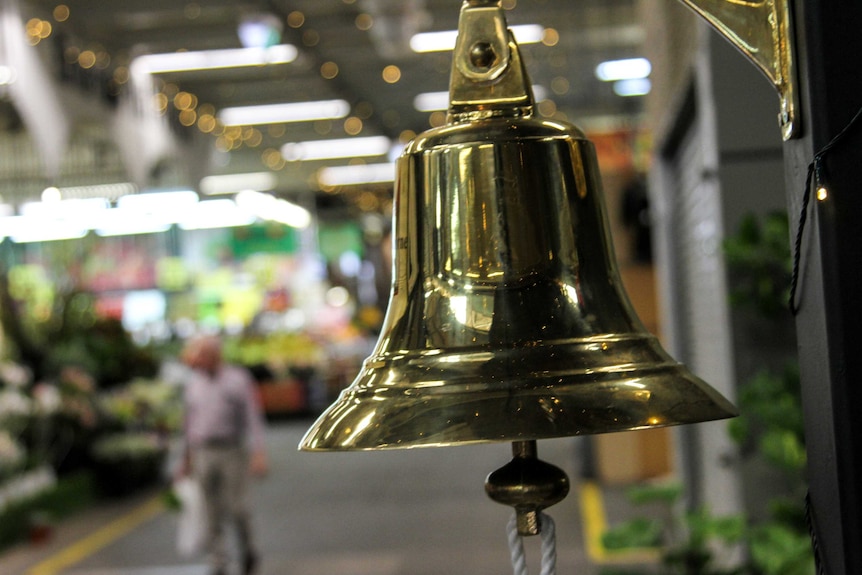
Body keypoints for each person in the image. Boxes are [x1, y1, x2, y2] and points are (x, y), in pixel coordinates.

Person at [177, 335, 269, 575]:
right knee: (210, 510)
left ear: (215, 355)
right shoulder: (194, 383)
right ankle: (218, 560)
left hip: (232, 450)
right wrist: (185, 458)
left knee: (238, 508)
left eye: (202, 354)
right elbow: (189, 422)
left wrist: (259, 452)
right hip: (203, 452)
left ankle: (248, 551)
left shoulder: (237, 379)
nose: (198, 360)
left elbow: (252, 416)